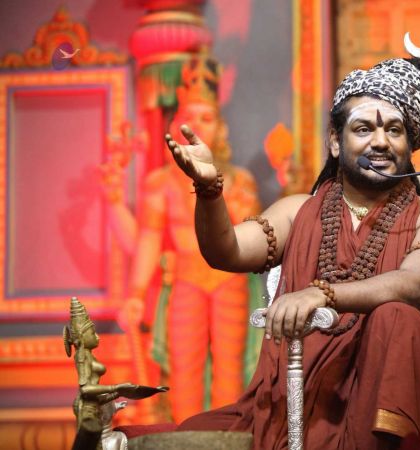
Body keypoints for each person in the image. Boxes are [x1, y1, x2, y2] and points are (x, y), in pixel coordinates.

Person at [163, 56, 420, 449]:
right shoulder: (298, 211)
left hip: (384, 418)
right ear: (335, 142)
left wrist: (321, 294)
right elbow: (227, 252)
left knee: (397, 317)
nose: (380, 141)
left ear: (409, 145)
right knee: (170, 440)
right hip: (290, 404)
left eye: (394, 130)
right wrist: (208, 191)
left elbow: (415, 285)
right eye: (364, 128)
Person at [115, 54, 261, 422]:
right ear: (175, 124)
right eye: (188, 118)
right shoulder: (161, 184)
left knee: (229, 368)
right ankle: (187, 438)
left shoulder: (240, 181)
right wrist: (136, 293)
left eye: (206, 118)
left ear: (220, 129)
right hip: (185, 280)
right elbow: (149, 240)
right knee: (183, 369)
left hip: (229, 281)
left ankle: (224, 441)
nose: (196, 126)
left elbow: (253, 238)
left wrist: (237, 203)